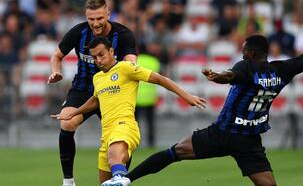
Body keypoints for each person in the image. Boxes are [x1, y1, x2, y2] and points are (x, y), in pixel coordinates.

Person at [121, 1, 303, 186]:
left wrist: (216, 76)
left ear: (250, 53)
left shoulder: (245, 66)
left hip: (224, 133)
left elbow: (229, 76)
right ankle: (125, 180)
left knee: (174, 153)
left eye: (243, 50)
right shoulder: (281, 70)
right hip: (249, 141)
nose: (241, 52)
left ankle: (125, 179)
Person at [51, 37, 206, 186]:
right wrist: (75, 112)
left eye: (101, 54)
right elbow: (96, 100)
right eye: (95, 57)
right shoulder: (97, 77)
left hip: (125, 125)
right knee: (105, 181)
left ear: (111, 51)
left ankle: (119, 176)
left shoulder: (126, 68)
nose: (98, 60)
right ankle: (119, 178)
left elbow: (159, 79)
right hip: (106, 132)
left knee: (114, 156)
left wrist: (186, 96)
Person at [47, 0, 137, 186]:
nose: (95, 23)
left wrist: (127, 67)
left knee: (121, 139)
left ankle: (120, 178)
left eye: (99, 18)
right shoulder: (79, 32)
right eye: (91, 19)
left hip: (112, 92)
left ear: (108, 15)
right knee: (67, 122)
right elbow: (56, 56)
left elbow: (131, 63)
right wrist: (55, 71)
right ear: (86, 17)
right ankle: (68, 181)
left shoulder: (123, 34)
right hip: (83, 89)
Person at [135, 48, 161, 147]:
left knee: (134, 124)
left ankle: (135, 142)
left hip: (136, 97)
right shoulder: (154, 61)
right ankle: (151, 142)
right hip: (150, 98)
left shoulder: (135, 60)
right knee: (150, 123)